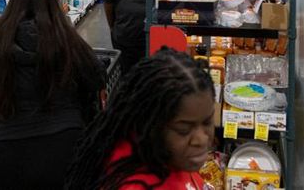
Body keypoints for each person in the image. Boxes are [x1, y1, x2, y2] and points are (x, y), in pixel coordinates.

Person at [0, 0, 105, 190]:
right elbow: (96, 77)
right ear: (54, 3)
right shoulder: (68, 41)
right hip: (63, 150)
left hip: (4, 155)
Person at [65, 49, 216, 190]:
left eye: (207, 122)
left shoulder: (168, 155)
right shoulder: (134, 183)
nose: (201, 139)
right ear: (152, 125)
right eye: (184, 130)